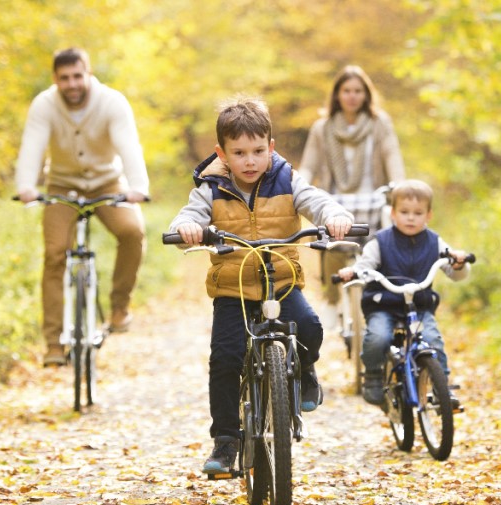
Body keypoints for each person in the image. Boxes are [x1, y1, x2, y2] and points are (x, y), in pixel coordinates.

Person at [168, 97, 353, 475]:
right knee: (225, 358)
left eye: (257, 151)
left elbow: (313, 199)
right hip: (232, 288)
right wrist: (187, 229)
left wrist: (332, 214)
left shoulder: (286, 178)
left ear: (271, 148)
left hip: (280, 283)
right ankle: (225, 441)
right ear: (222, 153)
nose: (249, 161)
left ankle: (304, 371)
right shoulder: (211, 187)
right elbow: (190, 214)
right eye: (239, 153)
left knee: (311, 327)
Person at [14, 48, 150, 367]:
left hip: (108, 183)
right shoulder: (44, 105)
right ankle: (53, 343)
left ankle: (119, 307)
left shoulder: (112, 102)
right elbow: (31, 146)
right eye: (64, 78)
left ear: (88, 74)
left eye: (77, 76)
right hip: (62, 186)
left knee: (132, 231)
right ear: (55, 80)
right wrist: (26, 187)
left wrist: (138, 187)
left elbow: (129, 146)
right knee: (54, 252)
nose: (72, 84)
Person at [335, 180, 470, 408]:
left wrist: (457, 263)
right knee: (378, 337)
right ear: (393, 213)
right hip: (383, 305)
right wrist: (354, 272)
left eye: (418, 213)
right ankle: (374, 375)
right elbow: (365, 265)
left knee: (433, 340)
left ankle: (442, 387)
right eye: (404, 212)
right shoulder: (380, 241)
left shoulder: (435, 242)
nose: (410, 218)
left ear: (428, 215)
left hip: (418, 308)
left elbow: (453, 269)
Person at [299, 65, 405, 310]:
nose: (352, 96)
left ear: (366, 94)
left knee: (378, 251)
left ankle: (377, 301)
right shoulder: (322, 128)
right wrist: (296, 188)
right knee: (331, 247)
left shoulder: (380, 124)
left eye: (358, 90)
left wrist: (399, 187)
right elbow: (308, 166)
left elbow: (393, 158)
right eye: (347, 90)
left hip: (373, 199)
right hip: (334, 201)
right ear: (337, 94)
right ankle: (332, 300)